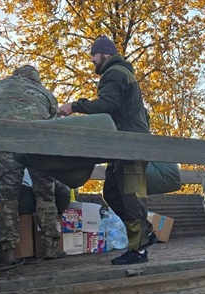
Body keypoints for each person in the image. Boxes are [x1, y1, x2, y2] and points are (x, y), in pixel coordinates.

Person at [58, 35, 154, 265]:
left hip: (132, 145)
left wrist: (75, 106)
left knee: (132, 197)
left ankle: (139, 249)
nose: (92, 59)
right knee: (111, 191)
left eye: (94, 54)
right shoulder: (122, 73)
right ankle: (145, 232)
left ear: (106, 54)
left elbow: (107, 105)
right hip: (125, 143)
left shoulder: (115, 72)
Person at [0, 65, 63, 264]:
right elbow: (55, 117)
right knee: (46, 195)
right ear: (36, 80)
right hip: (40, 147)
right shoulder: (46, 93)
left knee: (8, 197)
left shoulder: (0, 85)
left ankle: (8, 250)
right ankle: (51, 248)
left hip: (7, 144)